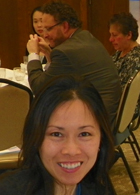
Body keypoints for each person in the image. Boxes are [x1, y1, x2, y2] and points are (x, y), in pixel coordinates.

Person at [26, 1, 122, 129]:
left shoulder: (66, 51)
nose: (45, 35)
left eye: (49, 29)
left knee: (37, 118)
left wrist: (33, 54)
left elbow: (39, 88)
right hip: (109, 112)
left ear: (65, 26)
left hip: (98, 120)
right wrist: (50, 54)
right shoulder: (84, 37)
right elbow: (61, 72)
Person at [109, 12, 140, 88]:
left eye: (115, 35)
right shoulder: (121, 51)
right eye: (110, 35)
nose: (110, 39)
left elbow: (119, 91)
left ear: (129, 35)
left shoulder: (134, 60)